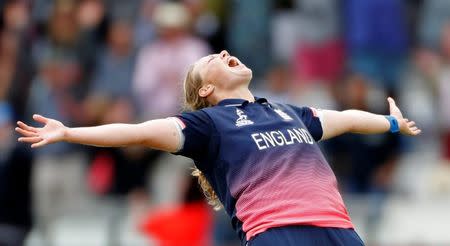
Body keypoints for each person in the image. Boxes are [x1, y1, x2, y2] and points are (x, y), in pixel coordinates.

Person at [16, 50, 421, 246]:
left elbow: (348, 119)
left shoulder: (290, 112)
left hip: (337, 230)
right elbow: (137, 131)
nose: (226, 53)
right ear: (206, 90)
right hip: (276, 235)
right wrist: (70, 133)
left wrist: (390, 123)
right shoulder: (207, 125)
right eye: (214, 58)